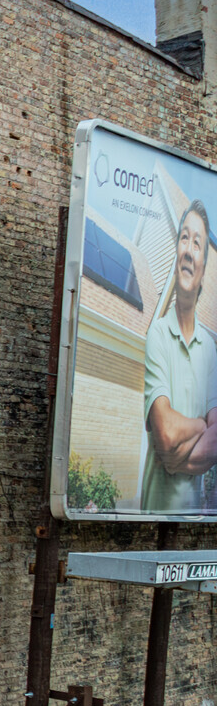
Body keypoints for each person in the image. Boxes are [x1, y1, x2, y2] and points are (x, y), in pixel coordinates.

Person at [142, 202, 217, 511]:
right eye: (183, 238)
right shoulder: (158, 334)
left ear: (203, 266)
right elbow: (166, 434)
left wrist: (175, 462)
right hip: (149, 519)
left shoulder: (210, 350)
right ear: (176, 254)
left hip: (193, 523)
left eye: (197, 243)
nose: (188, 249)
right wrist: (202, 425)